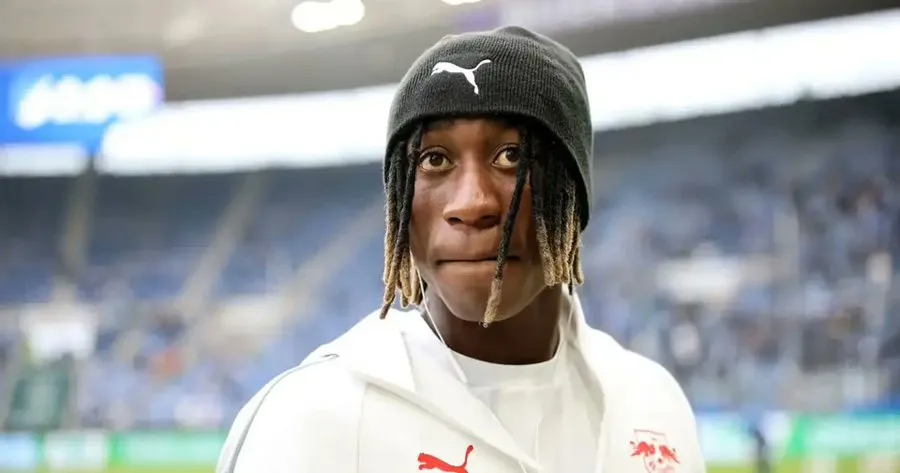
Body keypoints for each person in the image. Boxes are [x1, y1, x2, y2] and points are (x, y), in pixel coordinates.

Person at [218, 26, 705, 473]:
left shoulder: (651, 402)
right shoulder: (307, 420)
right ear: (399, 205)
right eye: (435, 159)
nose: (471, 203)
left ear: (573, 194)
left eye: (512, 156)